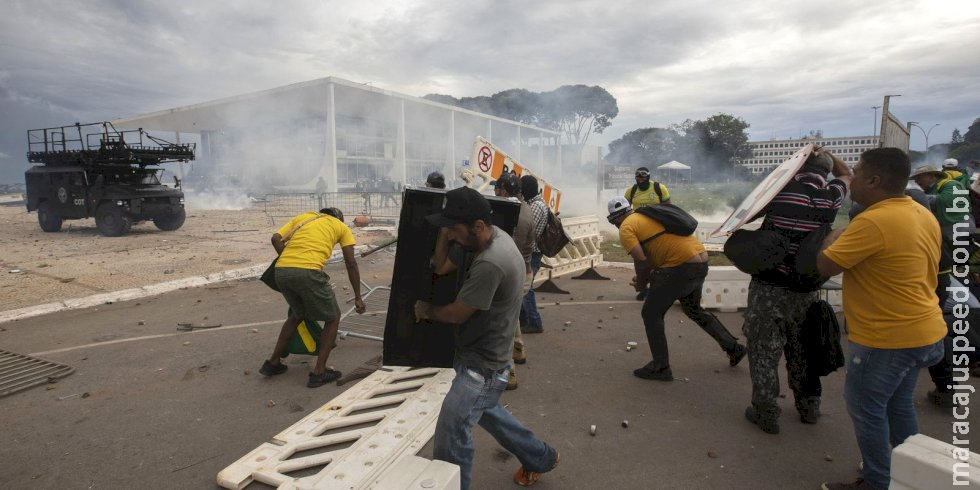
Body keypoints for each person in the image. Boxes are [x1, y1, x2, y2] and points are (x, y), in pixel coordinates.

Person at [818, 148, 946, 490]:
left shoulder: (872, 221)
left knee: (865, 407)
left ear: (874, 180)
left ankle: (878, 482)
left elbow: (826, 265)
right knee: (898, 405)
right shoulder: (921, 213)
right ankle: (910, 473)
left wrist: (837, 231)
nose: (853, 178)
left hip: (887, 339)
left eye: (857, 173)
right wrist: (835, 162)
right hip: (926, 330)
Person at [414, 187, 559, 489]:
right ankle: (541, 458)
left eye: (453, 229)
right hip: (479, 356)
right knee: (488, 413)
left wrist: (427, 310)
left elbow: (456, 314)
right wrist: (445, 230)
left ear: (477, 226)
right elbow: (440, 266)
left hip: (483, 368)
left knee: (452, 433)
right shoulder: (481, 240)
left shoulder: (491, 262)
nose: (451, 236)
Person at [741, 148, 852, 434]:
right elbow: (845, 174)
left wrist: (797, 160)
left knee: (764, 349)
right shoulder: (832, 196)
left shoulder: (780, 191)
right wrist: (828, 155)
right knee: (802, 345)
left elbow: (747, 213)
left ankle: (766, 411)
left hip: (770, 284)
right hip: (806, 286)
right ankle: (809, 406)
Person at [606, 196, 746, 382]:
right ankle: (733, 348)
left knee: (651, 314)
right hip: (700, 261)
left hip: (678, 267)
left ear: (615, 218)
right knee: (693, 309)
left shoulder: (626, 227)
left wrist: (641, 284)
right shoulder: (648, 215)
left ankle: (660, 367)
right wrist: (645, 278)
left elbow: (641, 261)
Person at [259, 208, 366, 387]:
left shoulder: (304, 217)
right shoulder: (341, 226)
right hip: (308, 272)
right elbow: (351, 262)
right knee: (333, 318)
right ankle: (319, 372)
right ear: (338, 218)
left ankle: (273, 363)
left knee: (297, 314)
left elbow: (275, 239)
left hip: (282, 270)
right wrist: (357, 297)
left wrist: (289, 260)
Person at [493, 172, 536, 389]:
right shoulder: (524, 207)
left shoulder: (512, 213)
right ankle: (518, 349)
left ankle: (508, 372)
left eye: (497, 188)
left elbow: (507, 250)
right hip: (524, 272)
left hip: (513, 274)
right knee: (511, 315)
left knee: (503, 322)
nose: (495, 192)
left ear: (503, 190)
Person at [909, 163, 974, 249]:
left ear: (932, 176)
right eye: (915, 179)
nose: (916, 181)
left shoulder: (952, 185)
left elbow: (947, 200)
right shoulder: (930, 190)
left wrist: (915, 197)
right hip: (947, 235)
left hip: (960, 231)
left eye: (919, 177)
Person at [519, 174, 548, 334]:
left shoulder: (536, 206)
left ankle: (534, 322)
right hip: (532, 252)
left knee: (526, 288)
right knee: (523, 287)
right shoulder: (534, 203)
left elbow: (530, 231)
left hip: (532, 253)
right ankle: (524, 319)